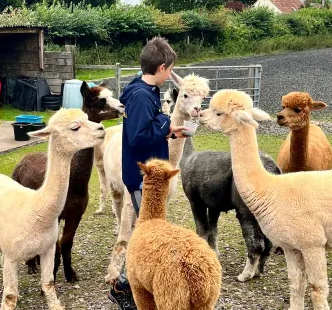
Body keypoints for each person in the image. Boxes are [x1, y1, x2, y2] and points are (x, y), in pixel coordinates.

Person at [108, 36, 187, 310]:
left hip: (148, 176)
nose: (170, 75)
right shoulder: (142, 96)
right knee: (145, 235)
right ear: (162, 67)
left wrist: (169, 129)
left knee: (146, 232)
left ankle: (131, 284)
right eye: (170, 69)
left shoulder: (141, 90)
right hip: (144, 179)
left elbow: (146, 127)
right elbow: (138, 137)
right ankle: (123, 286)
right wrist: (166, 124)